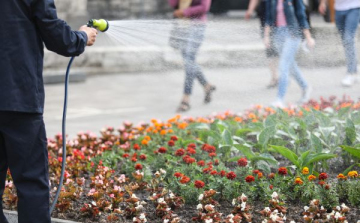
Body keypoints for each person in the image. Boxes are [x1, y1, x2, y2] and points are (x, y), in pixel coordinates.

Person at [0, 0, 97, 223]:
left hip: (16, 95)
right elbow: (54, 33)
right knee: (31, 181)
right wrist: (81, 37)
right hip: (18, 95)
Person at [264, 0, 315, 107]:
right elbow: (268, 17)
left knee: (283, 66)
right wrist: (266, 36)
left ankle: (279, 99)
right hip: (278, 34)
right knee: (290, 66)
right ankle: (305, 87)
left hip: (293, 34)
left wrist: (308, 37)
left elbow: (301, 16)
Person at [168, 0, 216, 112]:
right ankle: (207, 86)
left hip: (197, 26)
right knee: (189, 61)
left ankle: (186, 98)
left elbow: (204, 7)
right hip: (182, 27)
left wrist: (185, 12)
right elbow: (173, 4)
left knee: (189, 60)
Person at [319, 0, 360, 87]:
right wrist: (323, 2)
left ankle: (350, 73)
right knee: (346, 41)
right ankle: (355, 69)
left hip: (354, 8)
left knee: (348, 39)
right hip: (339, 9)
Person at [245, 0, 279, 88]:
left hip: (280, 16)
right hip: (266, 15)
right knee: (270, 49)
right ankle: (275, 76)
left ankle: (278, 76)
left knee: (278, 48)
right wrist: (250, 10)